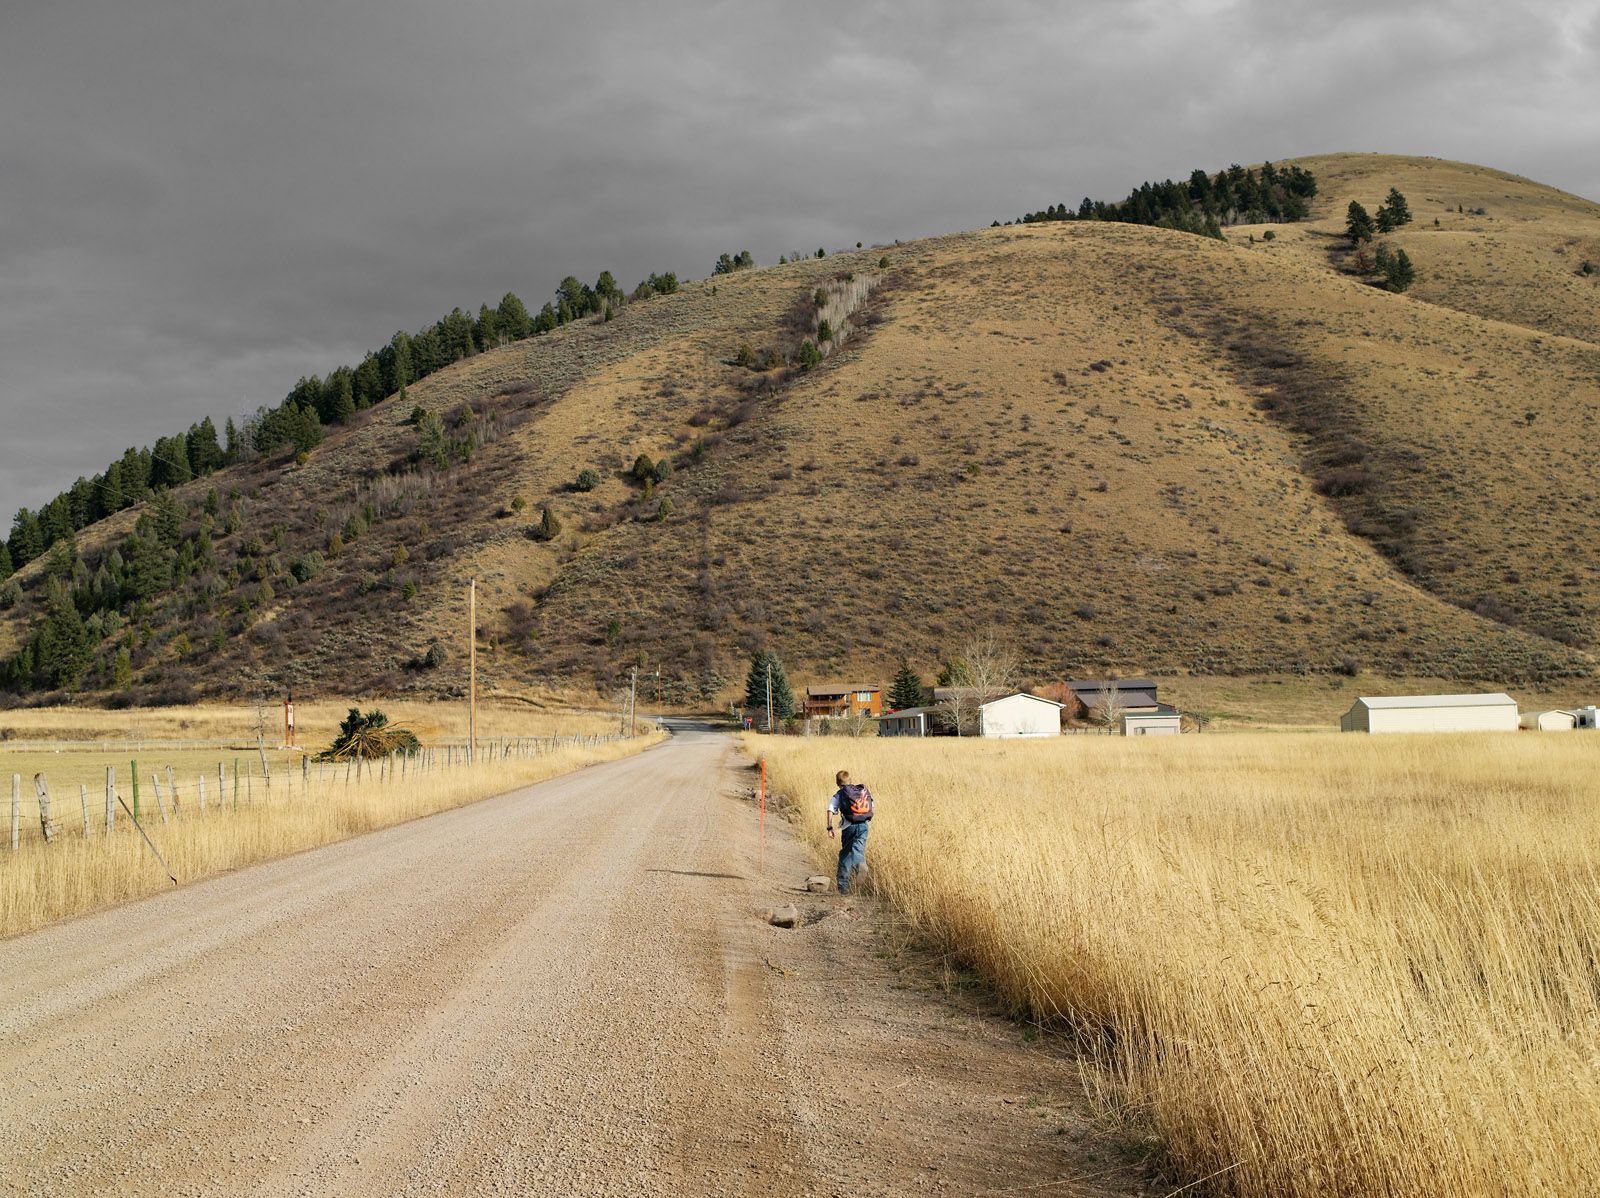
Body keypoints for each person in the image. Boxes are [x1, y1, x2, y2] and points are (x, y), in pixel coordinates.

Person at [826, 769, 874, 895]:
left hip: (848, 827)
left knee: (846, 855)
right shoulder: (861, 791)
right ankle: (860, 864)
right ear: (851, 780)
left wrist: (830, 827)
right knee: (859, 849)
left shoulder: (840, 794)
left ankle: (843, 887)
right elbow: (872, 806)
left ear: (837, 783)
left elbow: (830, 809)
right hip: (863, 825)